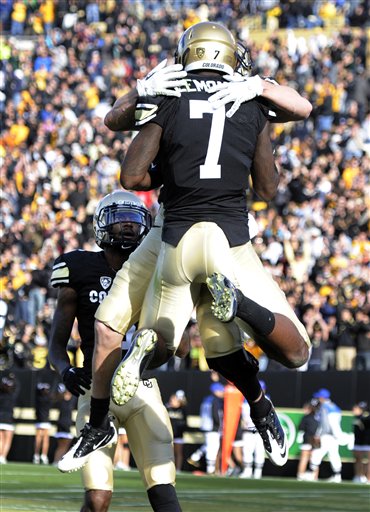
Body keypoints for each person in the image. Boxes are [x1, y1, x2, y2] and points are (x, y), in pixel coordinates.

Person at [61, 23, 312, 472]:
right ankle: (257, 393)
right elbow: (272, 183)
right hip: (231, 241)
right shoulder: (250, 98)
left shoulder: (168, 94)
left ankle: (101, 418)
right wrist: (261, 98)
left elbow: (125, 159)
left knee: (116, 330)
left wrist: (143, 95)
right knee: (263, 351)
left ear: (187, 53)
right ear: (228, 56)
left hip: (170, 233)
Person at [48, 191, 182, 512]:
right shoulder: (78, 267)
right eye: (119, 219)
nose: (128, 226)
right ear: (102, 225)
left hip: (144, 389)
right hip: (96, 390)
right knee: (97, 497)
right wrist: (65, 370)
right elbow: (56, 344)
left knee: (164, 494)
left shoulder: (156, 269)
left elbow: (179, 342)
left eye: (134, 220)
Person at [304, 388, 350, 483]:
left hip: (327, 435)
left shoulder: (324, 407)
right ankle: (337, 476)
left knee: (317, 453)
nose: (317, 399)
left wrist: (318, 434)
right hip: (333, 436)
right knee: (334, 455)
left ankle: (311, 474)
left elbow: (325, 423)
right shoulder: (335, 406)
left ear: (322, 398)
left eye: (318, 397)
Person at [239, 380, 269, 479]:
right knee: (247, 451)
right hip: (248, 430)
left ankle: (257, 472)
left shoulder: (267, 400)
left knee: (259, 451)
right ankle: (247, 471)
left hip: (260, 430)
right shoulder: (245, 399)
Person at [296, 398, 320, 481]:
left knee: (307, 458)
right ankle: (313, 477)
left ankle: (301, 475)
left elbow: (300, 427)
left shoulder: (307, 417)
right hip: (314, 440)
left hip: (310, 439)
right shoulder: (319, 417)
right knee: (313, 459)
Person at [53, 383, 77, 464]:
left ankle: (58, 460)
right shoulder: (61, 400)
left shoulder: (72, 400)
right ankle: (57, 460)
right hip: (62, 424)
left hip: (67, 424)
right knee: (62, 445)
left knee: (65, 445)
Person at [166, 389, 188, 472]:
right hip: (168, 434)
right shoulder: (167, 409)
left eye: (174, 399)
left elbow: (185, 423)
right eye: (172, 399)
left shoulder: (182, 409)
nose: (172, 401)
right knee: (168, 453)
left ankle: (178, 469)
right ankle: (169, 468)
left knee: (178, 452)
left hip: (178, 434)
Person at [0, 372, 19, 464]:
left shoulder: (1, 395)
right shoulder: (12, 395)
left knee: (1, 439)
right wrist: (13, 377)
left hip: (0, 418)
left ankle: (0, 457)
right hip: (8, 419)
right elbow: (18, 387)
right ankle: (3, 457)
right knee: (7, 440)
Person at [33, 381, 52, 465]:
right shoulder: (48, 399)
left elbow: (36, 391)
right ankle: (43, 456)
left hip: (40, 420)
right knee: (45, 439)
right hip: (45, 421)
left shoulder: (38, 398)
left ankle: (37, 455)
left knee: (39, 438)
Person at [352, 401, 370, 483]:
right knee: (358, 460)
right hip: (358, 442)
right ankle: (359, 476)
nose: (354, 409)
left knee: (367, 461)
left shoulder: (366, 418)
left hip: (367, 443)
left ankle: (368, 478)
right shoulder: (356, 418)